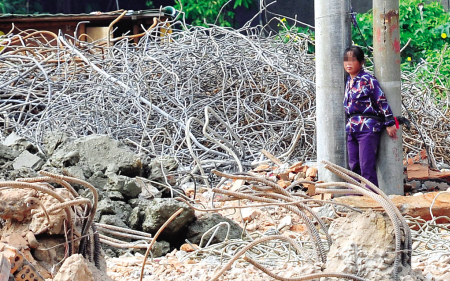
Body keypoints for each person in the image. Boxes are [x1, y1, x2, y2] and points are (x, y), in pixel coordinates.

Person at [343, 46, 398, 187]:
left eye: (353, 60)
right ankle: (355, 197)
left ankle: (372, 198)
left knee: (366, 165)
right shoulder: (348, 82)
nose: (348, 63)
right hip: (352, 128)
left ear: (361, 62)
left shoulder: (368, 80)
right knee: (354, 165)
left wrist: (390, 122)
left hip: (367, 128)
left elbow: (381, 100)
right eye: (346, 60)